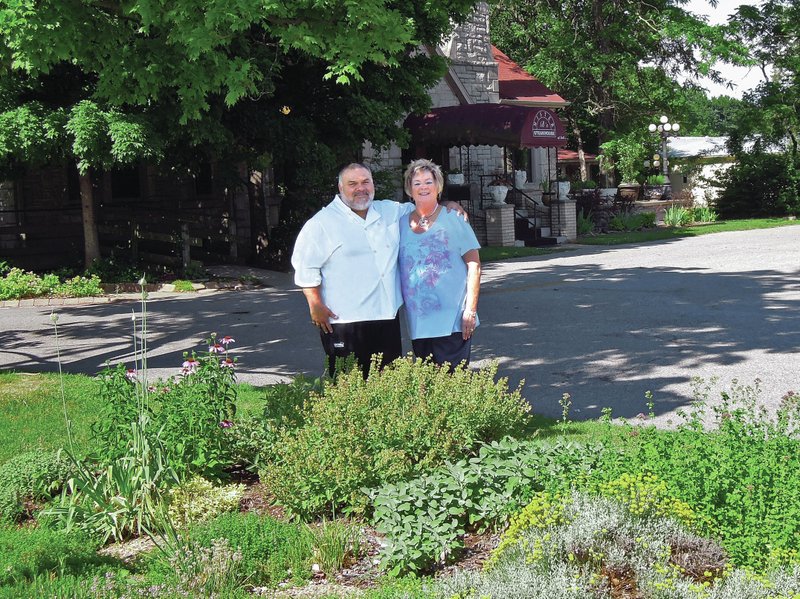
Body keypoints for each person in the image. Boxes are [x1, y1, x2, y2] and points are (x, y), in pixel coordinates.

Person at [291, 162, 465, 377]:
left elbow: (423, 206)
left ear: (373, 184)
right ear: (340, 188)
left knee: (387, 383)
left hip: (386, 316)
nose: (360, 188)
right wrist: (314, 303)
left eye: (366, 182)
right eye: (352, 183)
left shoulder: (389, 211)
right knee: (349, 383)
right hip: (345, 319)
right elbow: (305, 266)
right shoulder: (322, 223)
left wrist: (448, 204)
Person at [399, 159, 481, 370]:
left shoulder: (454, 219)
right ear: (409, 189)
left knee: (452, 382)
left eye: (428, 181)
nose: (423, 187)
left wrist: (470, 310)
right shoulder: (400, 222)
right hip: (419, 322)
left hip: (452, 319)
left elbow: (474, 265)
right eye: (417, 183)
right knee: (428, 384)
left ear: (438, 186)